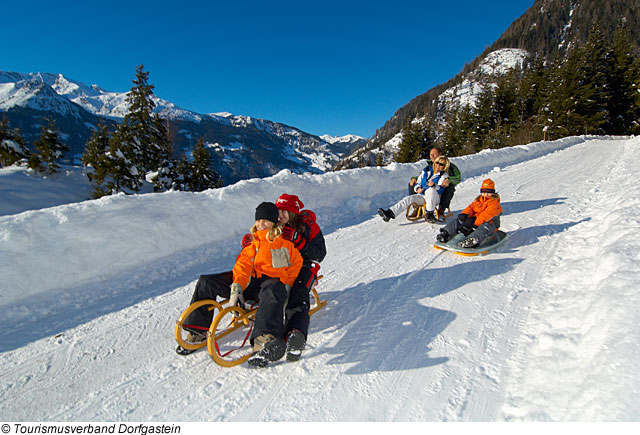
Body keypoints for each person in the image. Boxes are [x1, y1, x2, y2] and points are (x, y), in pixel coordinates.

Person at [178, 202, 303, 368]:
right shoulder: (252, 243)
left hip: (270, 287)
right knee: (206, 282)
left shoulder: (284, 245)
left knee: (272, 287)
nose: (261, 224)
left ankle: (263, 341)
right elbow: (242, 267)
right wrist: (237, 287)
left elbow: (296, 266)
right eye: (258, 221)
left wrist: (287, 286)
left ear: (274, 222)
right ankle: (196, 330)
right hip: (249, 284)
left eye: (265, 221)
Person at [273, 193, 327, 361]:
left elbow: (320, 253)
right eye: (278, 211)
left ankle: (296, 335)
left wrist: (300, 242)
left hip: (306, 265)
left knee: (298, 291)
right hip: (283, 265)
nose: (280, 215)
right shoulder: (273, 227)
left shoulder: (307, 226)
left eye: (285, 211)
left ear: (293, 213)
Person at [379, 156, 450, 223]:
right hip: (423, 196)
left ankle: (430, 214)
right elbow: (418, 182)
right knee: (409, 199)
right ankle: (390, 213)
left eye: (441, 164)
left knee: (430, 190)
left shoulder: (443, 175)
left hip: (435, 197)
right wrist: (418, 188)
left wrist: (434, 185)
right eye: (437, 163)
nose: (438, 165)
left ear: (444, 167)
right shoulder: (426, 171)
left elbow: (441, 189)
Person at [436, 178, 502, 248]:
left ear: (493, 192)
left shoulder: (495, 203)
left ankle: (472, 240)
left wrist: (475, 225)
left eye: (489, 192)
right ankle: (446, 234)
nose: (486, 194)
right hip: (475, 220)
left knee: (484, 228)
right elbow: (471, 208)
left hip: (490, 223)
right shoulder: (478, 200)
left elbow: (486, 215)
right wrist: (465, 214)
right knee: (458, 220)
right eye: (484, 192)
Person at [408, 146, 462, 219]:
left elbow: (458, 178)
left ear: (440, 154)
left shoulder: (450, 166)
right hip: (428, 189)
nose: (432, 156)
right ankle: (417, 208)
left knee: (449, 187)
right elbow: (422, 177)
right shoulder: (429, 166)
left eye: (434, 154)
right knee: (412, 184)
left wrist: (449, 180)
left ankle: (441, 209)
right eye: (431, 154)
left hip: (440, 190)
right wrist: (414, 178)